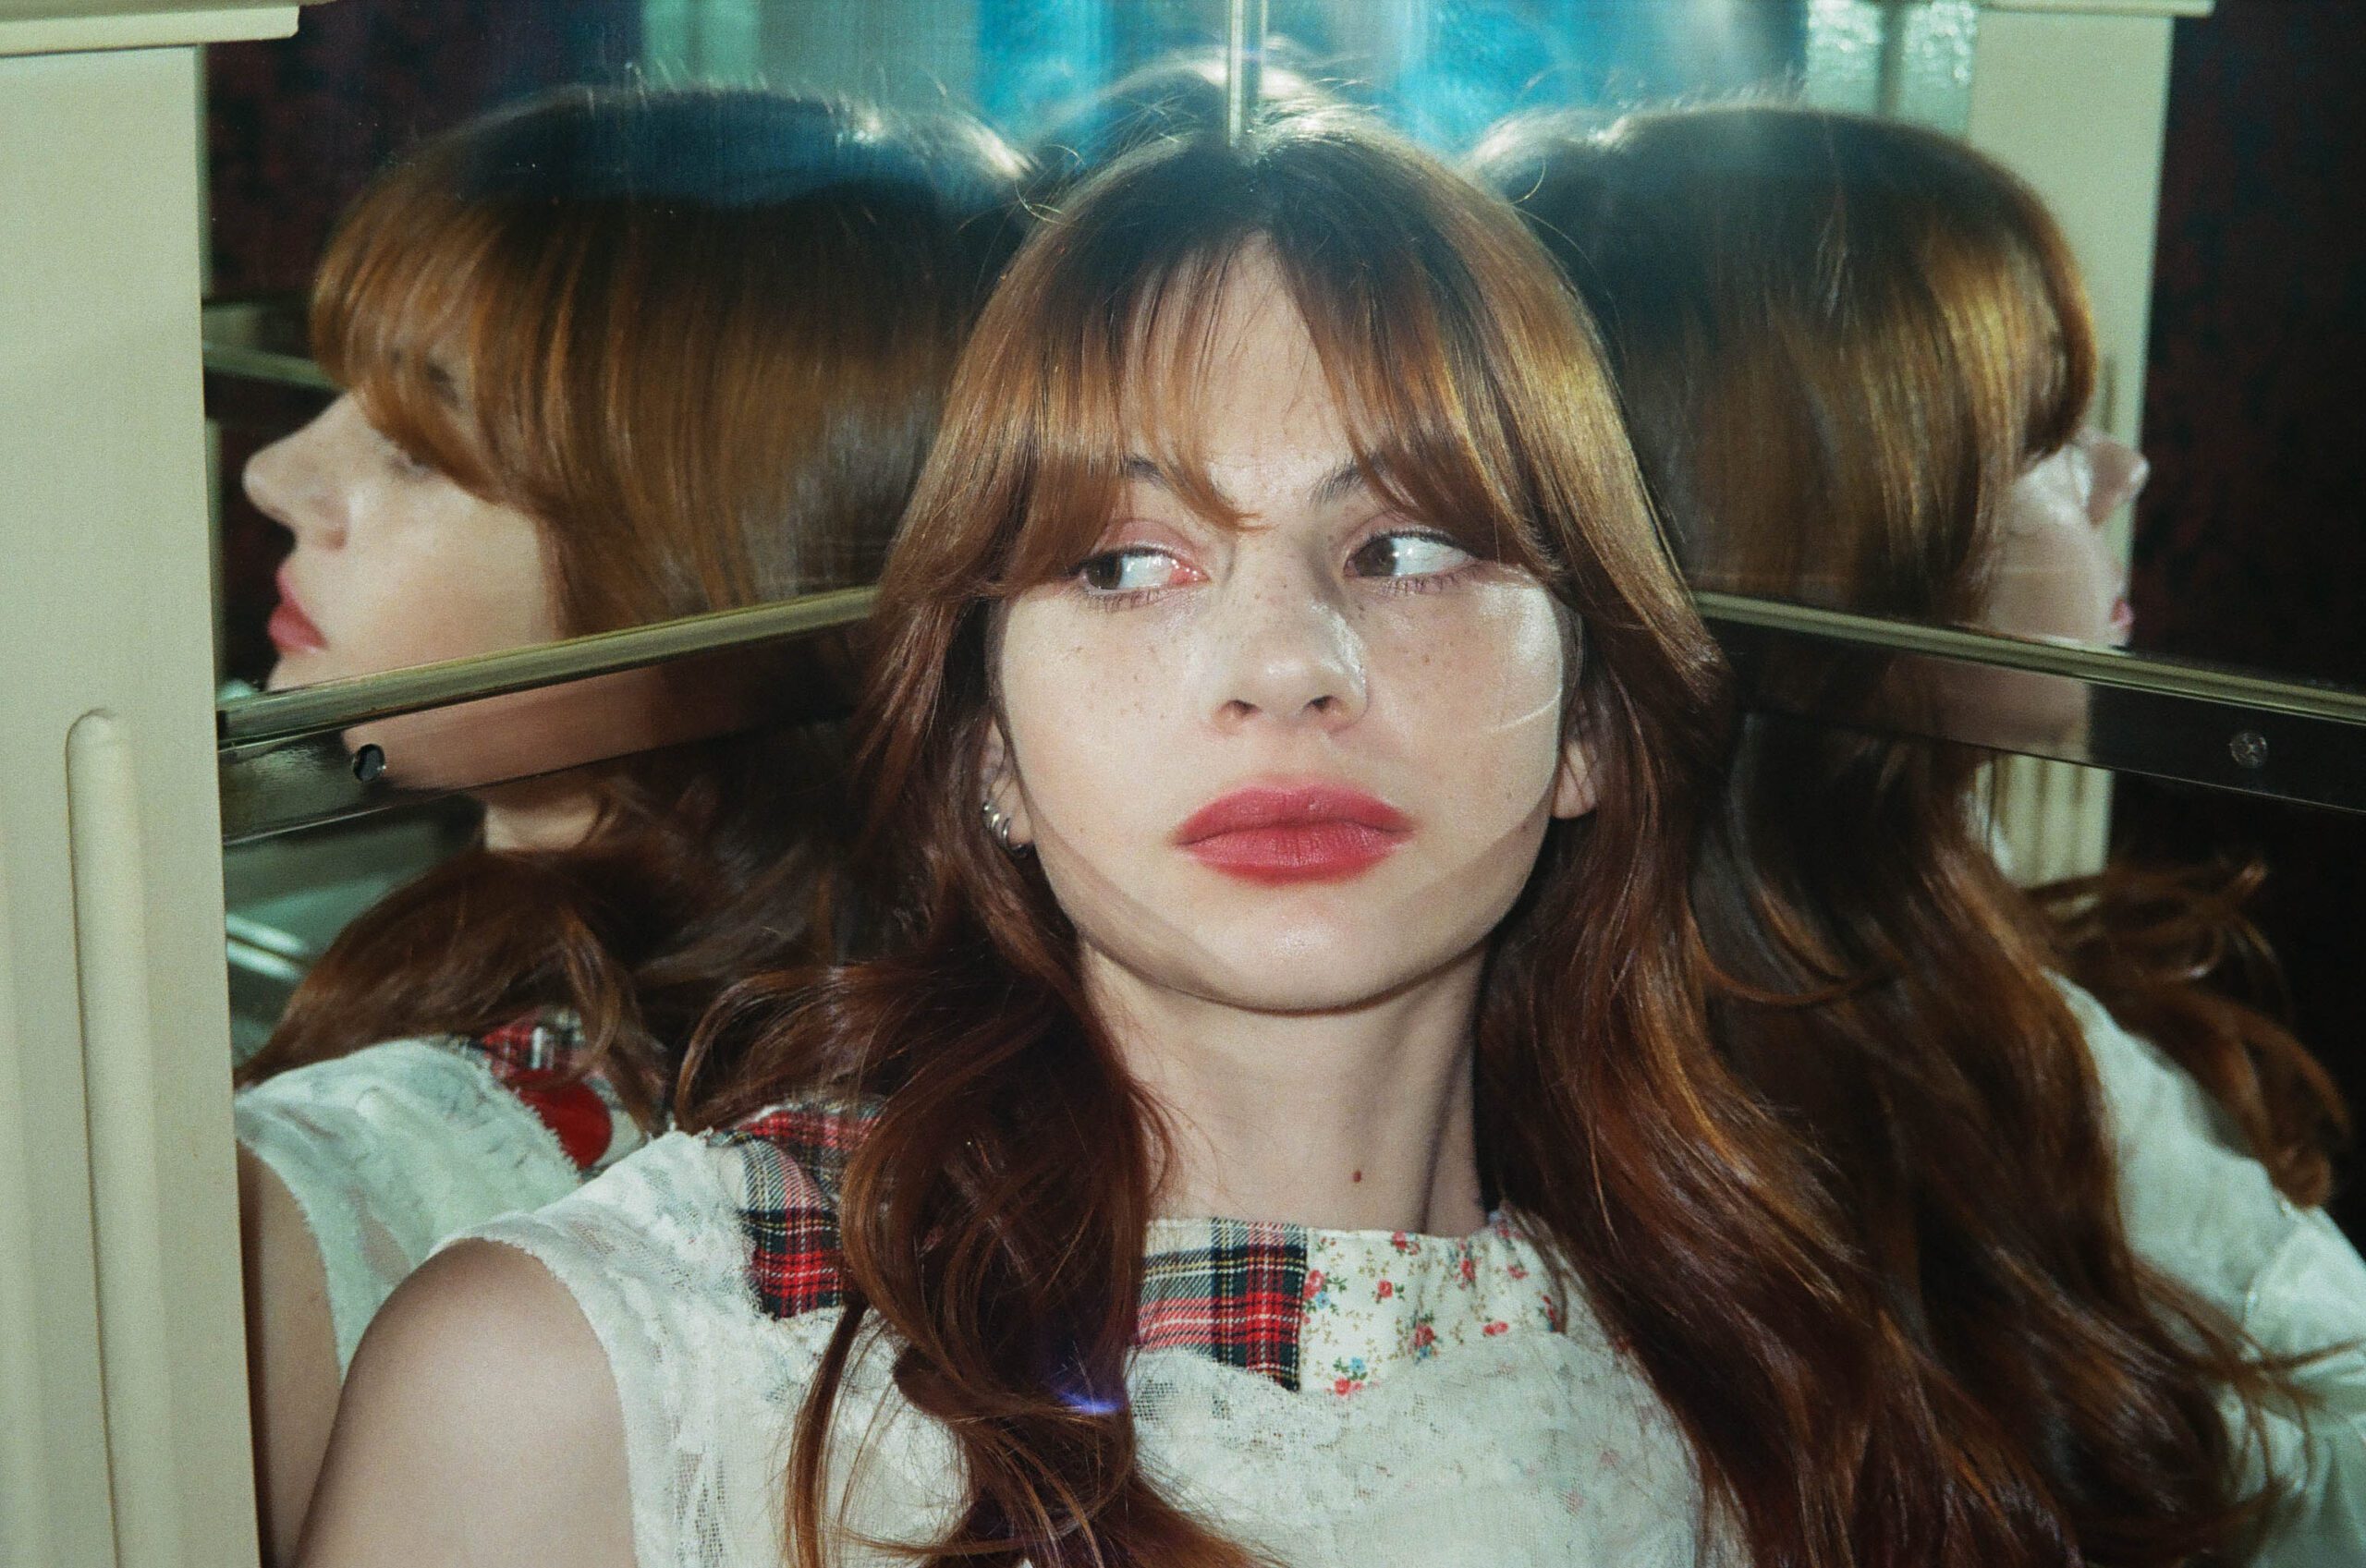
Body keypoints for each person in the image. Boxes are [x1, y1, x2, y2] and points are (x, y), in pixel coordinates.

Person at [298, 109, 2309, 1568]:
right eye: (1122, 562)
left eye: (1411, 545)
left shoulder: (1794, 1356)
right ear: (985, 750)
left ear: (1594, 721)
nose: (1285, 666)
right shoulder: (592, 1380)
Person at [1477, 102, 2366, 1562]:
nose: (2122, 470)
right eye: (2043, 442)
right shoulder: (1745, 1109)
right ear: (1847, 545)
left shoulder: (1925, 939)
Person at [230, 84, 1022, 1560]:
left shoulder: (318, 1186)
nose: (279, 476)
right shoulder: (899, 1057)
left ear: (696, 570)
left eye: (417, 449)